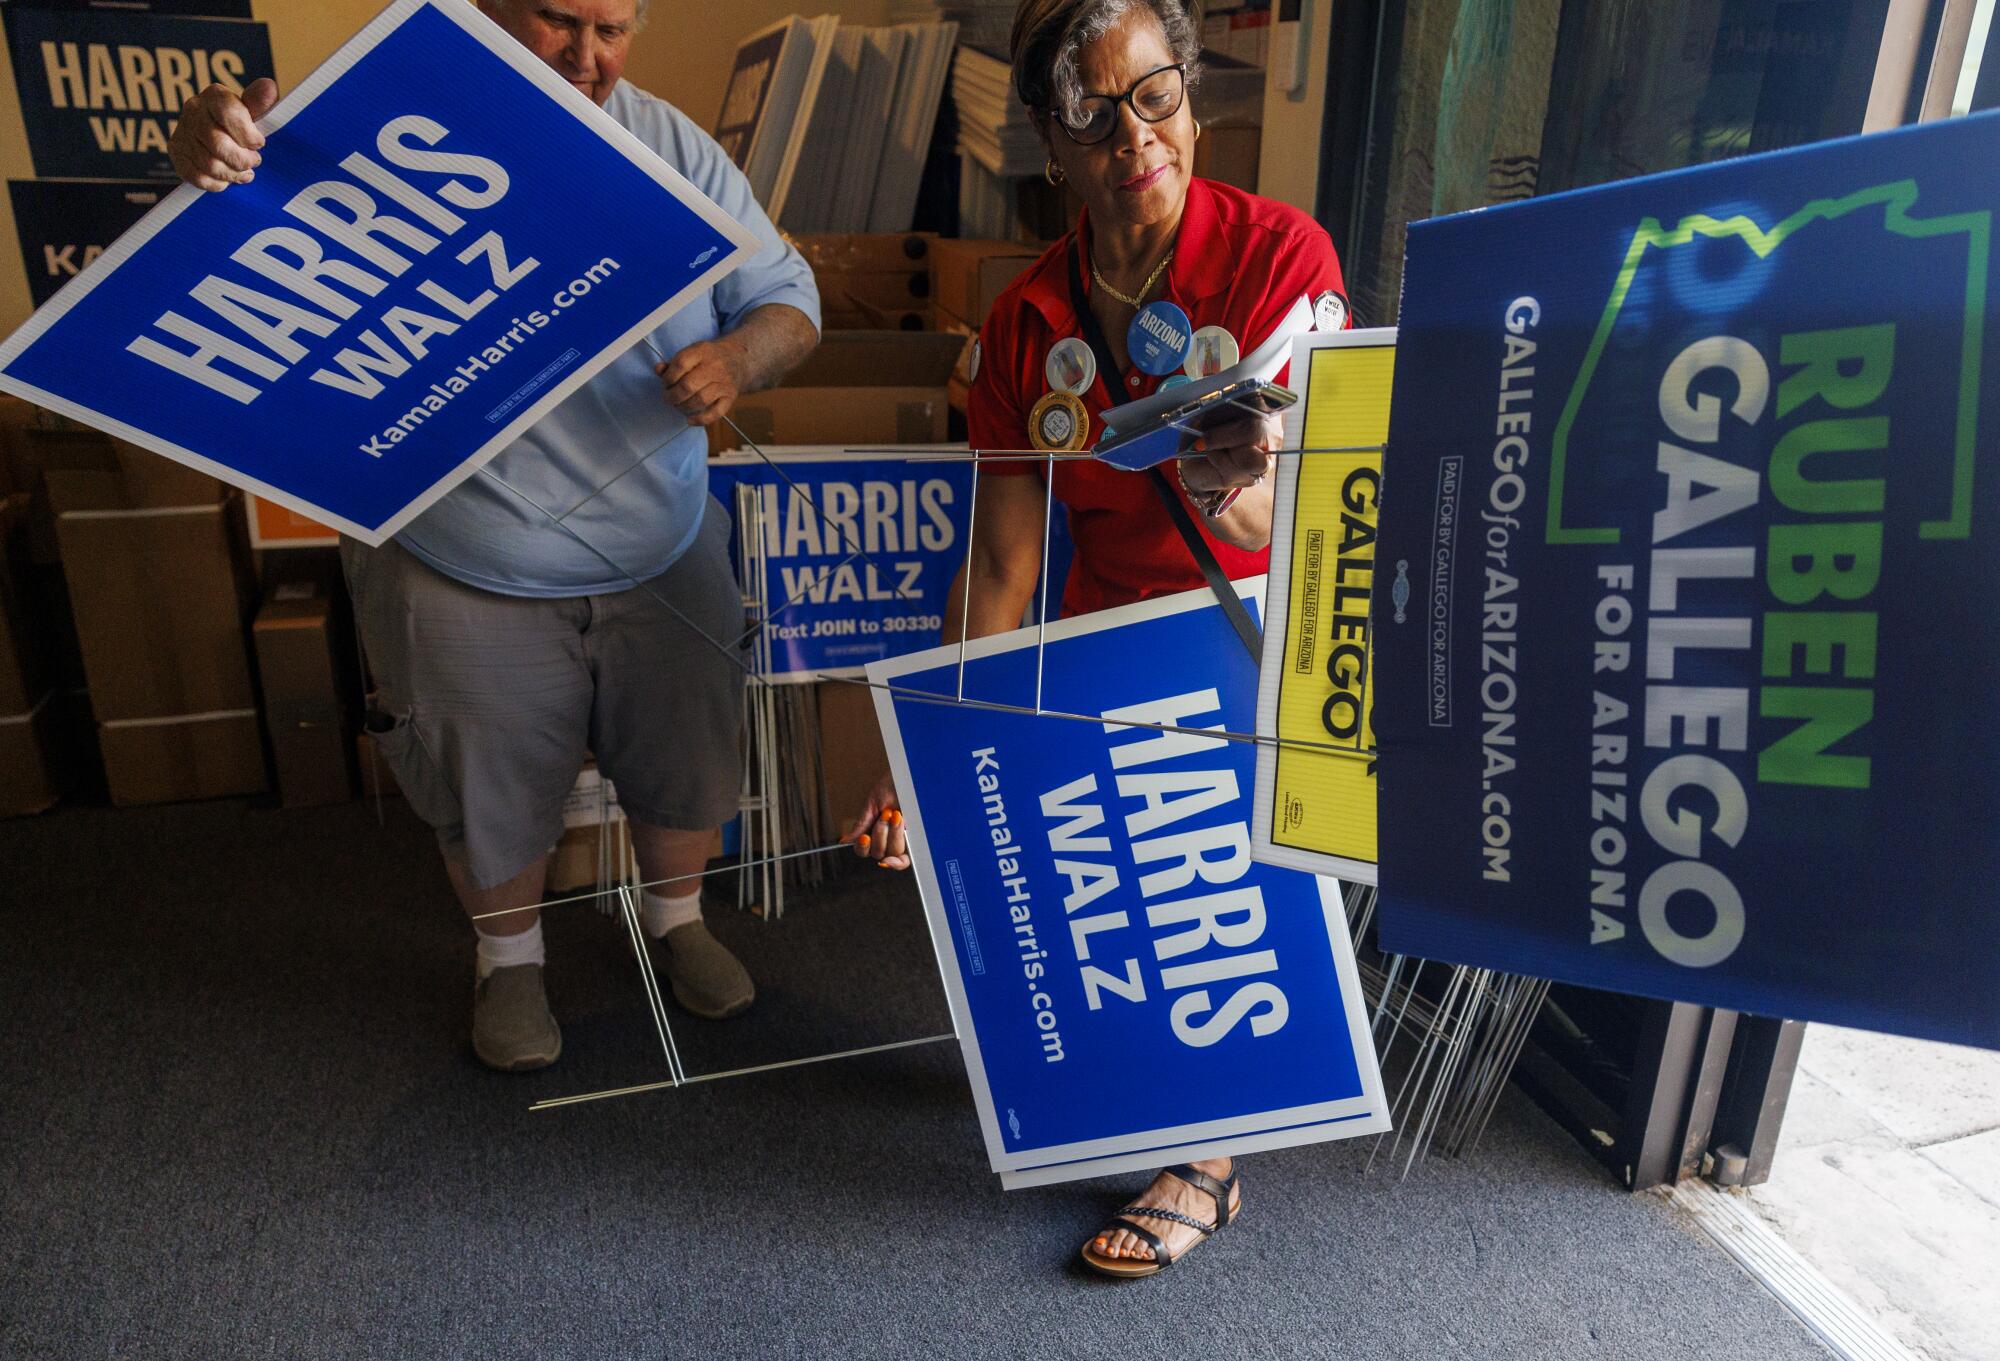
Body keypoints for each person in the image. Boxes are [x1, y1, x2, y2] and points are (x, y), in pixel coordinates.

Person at [169, 0, 820, 1072]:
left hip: (659, 537)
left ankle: (674, 921)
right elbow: (229, 216)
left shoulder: (669, 145)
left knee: (690, 761)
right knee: (486, 785)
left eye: (614, 29)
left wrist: (743, 357)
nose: (589, 58)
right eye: (560, 21)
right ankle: (508, 960)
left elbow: (788, 298)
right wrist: (211, 143)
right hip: (462, 555)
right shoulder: (402, 130)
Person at [848, 0, 1349, 1277]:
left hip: (1252, 631)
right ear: (1049, 138)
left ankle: (1209, 1163)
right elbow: (1004, 564)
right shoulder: (1023, 326)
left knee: (1208, 901)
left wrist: (1248, 474)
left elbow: (1314, 496)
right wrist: (927, 746)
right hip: (1104, 639)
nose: (1133, 135)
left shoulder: (1278, 251)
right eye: (1091, 110)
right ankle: (1142, 1109)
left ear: (1190, 92)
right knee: (1106, 893)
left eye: (1153, 95)